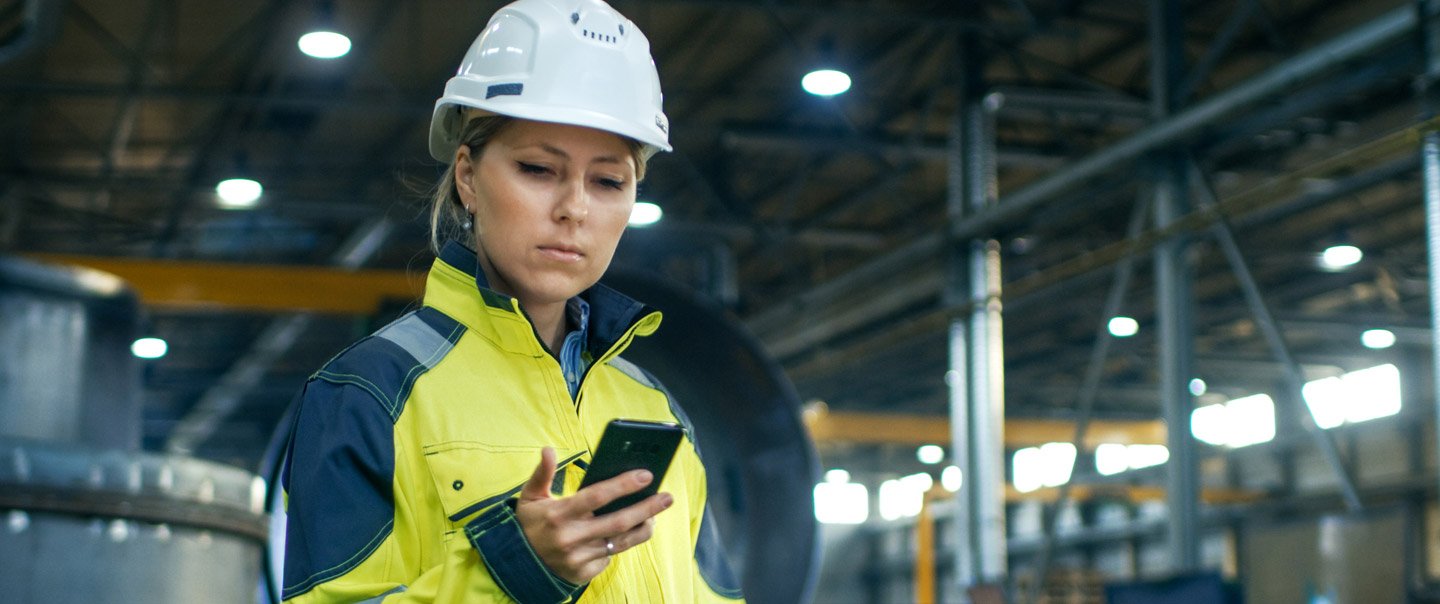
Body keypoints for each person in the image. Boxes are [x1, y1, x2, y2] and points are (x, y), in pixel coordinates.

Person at [277, 1, 744, 602]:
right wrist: (511, 571)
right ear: (468, 177)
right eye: (538, 169)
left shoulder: (657, 411)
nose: (575, 208)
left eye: (608, 181)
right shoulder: (368, 395)